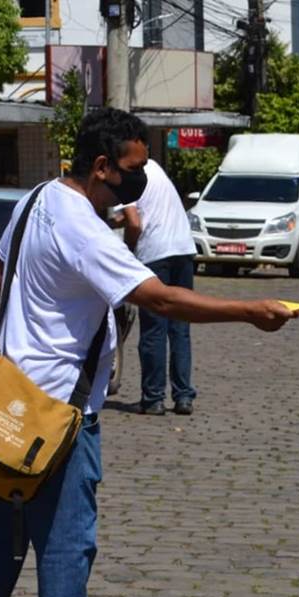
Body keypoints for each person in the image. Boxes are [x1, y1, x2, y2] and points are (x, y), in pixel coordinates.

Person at [0, 108, 294, 597]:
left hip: (7, 400)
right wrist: (250, 311)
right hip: (59, 419)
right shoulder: (83, 229)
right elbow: (160, 299)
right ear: (103, 166)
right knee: (67, 549)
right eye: (135, 168)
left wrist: (19, 333)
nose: (142, 178)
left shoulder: (38, 198)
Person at [120, 159, 198, 416]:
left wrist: (127, 251)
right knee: (180, 326)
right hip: (183, 248)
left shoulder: (124, 175)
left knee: (153, 326)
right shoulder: (153, 166)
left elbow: (134, 223)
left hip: (155, 253)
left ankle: (153, 398)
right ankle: (184, 396)